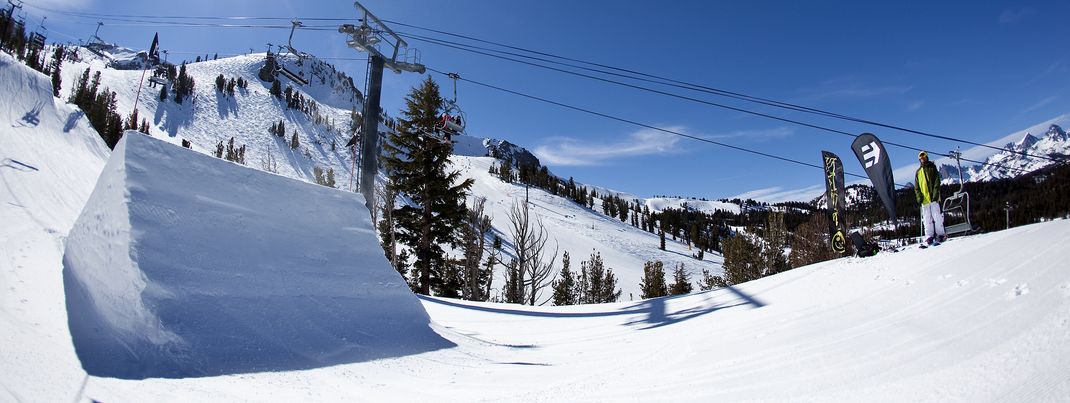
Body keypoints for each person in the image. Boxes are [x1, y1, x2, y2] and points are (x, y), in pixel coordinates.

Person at [915, 151, 946, 245]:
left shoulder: (932, 168)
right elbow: (917, 187)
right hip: (924, 200)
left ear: (927, 157)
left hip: (933, 197)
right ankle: (929, 236)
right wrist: (919, 197)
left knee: (937, 216)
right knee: (927, 218)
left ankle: (940, 234)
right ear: (919, 160)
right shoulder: (918, 172)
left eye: (924, 157)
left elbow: (937, 181)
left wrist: (936, 193)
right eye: (921, 158)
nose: (923, 159)